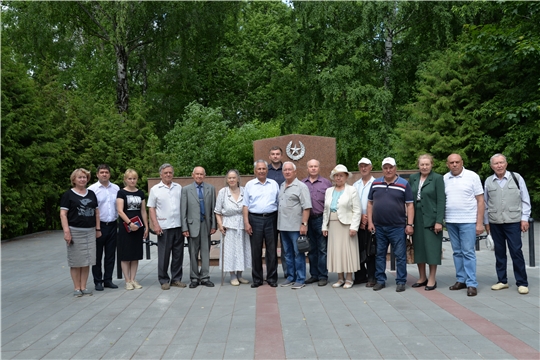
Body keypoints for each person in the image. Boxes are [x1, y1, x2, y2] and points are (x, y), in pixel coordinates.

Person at [484, 154, 531, 295]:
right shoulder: (488, 181)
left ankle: (522, 282)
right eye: (496, 163)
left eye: (501, 162)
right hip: (495, 222)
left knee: (516, 252)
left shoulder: (516, 178)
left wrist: (524, 218)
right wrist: (486, 223)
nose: (499, 165)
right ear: (492, 166)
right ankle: (502, 281)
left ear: (506, 164)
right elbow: (486, 203)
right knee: (499, 253)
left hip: (513, 221)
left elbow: (525, 199)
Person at [367, 157, 414, 292]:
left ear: (395, 168)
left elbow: (410, 205)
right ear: (382, 169)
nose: (388, 170)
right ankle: (380, 280)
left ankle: (401, 281)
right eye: (385, 168)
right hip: (379, 226)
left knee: (400, 255)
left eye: (391, 167)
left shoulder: (404, 184)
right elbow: (370, 203)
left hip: (397, 226)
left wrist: (409, 224)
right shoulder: (375, 183)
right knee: (380, 254)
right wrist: (370, 222)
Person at [444, 153, 484, 297]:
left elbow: (480, 200)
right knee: (457, 252)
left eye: (457, 162)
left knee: (468, 252)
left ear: (462, 162)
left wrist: (479, 223)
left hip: (468, 220)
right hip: (451, 220)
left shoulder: (472, 176)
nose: (454, 164)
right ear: (447, 164)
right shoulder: (445, 178)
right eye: (451, 162)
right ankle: (461, 279)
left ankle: (472, 283)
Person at [60, 168, 100, 297]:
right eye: (80, 177)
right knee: (76, 261)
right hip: (75, 231)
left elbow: (96, 213)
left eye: (84, 177)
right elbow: (63, 214)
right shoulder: (68, 195)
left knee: (87, 260)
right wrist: (67, 231)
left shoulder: (92, 194)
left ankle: (84, 286)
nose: (82, 179)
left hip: (90, 231)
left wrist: (97, 229)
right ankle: (77, 287)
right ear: (74, 180)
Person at [408, 154, 445, 291]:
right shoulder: (413, 178)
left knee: (432, 249)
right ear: (418, 165)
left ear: (431, 165)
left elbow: (441, 200)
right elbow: (409, 199)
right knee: (419, 248)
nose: (424, 167)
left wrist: (439, 221)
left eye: (427, 164)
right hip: (416, 217)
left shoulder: (437, 178)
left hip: (431, 217)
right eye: (422, 164)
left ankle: (432, 278)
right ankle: (422, 277)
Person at [322, 164, 361, 289]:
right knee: (336, 251)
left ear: (346, 177)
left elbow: (357, 210)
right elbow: (325, 210)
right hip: (333, 224)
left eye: (341, 176)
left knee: (347, 251)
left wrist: (354, 226)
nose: (338, 178)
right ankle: (340, 278)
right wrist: (324, 226)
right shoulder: (329, 191)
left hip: (347, 225)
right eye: (336, 176)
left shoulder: (352, 190)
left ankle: (349, 278)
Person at [243, 160, 280, 288]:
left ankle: (271, 278)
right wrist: (246, 222)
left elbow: (279, 202)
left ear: (267, 170)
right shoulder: (249, 185)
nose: (261, 171)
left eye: (263, 169)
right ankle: (257, 279)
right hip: (255, 219)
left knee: (272, 250)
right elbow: (245, 205)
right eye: (259, 169)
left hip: (271, 219)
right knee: (256, 251)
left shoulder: (274, 184)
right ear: (255, 171)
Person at [147, 163, 185, 290]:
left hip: (178, 225)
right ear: (161, 174)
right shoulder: (155, 189)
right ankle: (163, 279)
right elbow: (151, 208)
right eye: (165, 173)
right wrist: (155, 225)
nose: (168, 174)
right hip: (164, 226)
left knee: (178, 254)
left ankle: (176, 279)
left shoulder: (178, 187)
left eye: (170, 172)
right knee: (164, 255)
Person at [214, 169, 252, 286]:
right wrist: (220, 225)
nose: (231, 180)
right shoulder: (223, 192)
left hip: (242, 224)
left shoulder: (245, 190)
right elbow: (217, 211)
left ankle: (240, 275)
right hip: (228, 226)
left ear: (238, 179)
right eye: (229, 178)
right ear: (227, 179)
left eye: (234, 177)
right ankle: (232, 275)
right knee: (230, 251)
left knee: (242, 249)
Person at [278, 162, 312, 290]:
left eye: (289, 170)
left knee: (298, 253)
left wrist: (304, 224)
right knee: (287, 253)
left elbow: (307, 207)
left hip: (296, 227)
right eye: (285, 170)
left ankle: (300, 278)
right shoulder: (282, 185)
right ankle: (291, 277)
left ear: (295, 172)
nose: (287, 172)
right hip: (283, 226)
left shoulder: (301, 187)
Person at [182, 166, 217, 288]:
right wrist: (184, 227)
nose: (199, 176)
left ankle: (205, 277)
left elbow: (213, 208)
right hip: (192, 226)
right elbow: (183, 210)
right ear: (193, 175)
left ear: (205, 175)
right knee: (193, 252)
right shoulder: (186, 190)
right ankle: (194, 278)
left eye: (201, 174)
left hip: (206, 225)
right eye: (197, 174)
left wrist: (214, 225)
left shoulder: (211, 189)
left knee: (205, 252)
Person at [88, 164, 120, 291]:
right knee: (97, 255)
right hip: (99, 226)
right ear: (97, 174)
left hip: (112, 224)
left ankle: (108, 280)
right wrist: (96, 228)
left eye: (106, 172)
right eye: (102, 172)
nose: (104, 174)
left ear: (109, 174)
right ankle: (98, 281)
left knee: (110, 255)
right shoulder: (92, 190)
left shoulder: (116, 188)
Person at [116, 169, 149, 290]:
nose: (132, 180)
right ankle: (127, 280)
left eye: (134, 178)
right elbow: (120, 210)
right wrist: (129, 223)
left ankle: (134, 279)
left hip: (138, 227)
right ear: (125, 179)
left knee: (135, 254)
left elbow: (143, 211)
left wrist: (146, 226)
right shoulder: (121, 193)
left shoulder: (140, 193)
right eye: (129, 178)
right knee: (125, 255)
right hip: (126, 228)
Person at [302, 159, 332, 286]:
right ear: (307, 168)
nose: (313, 168)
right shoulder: (302, 184)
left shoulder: (326, 183)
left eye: (315, 166)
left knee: (322, 249)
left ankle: (323, 276)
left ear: (319, 168)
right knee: (311, 249)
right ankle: (314, 275)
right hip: (307, 220)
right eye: (311, 166)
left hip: (321, 219)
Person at [352, 157, 376, 287]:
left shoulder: (376, 183)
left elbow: (376, 202)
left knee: (371, 249)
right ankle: (361, 275)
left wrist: (368, 217)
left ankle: (372, 276)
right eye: (361, 166)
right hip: (358, 221)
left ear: (371, 167)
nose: (363, 168)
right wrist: (361, 217)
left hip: (372, 221)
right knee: (359, 248)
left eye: (366, 165)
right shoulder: (355, 185)